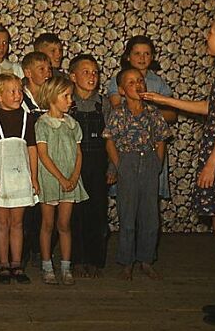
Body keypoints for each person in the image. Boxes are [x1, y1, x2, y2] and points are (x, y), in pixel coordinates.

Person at [141, 15, 215, 326]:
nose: (207, 36)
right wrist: (164, 99)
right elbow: (211, 109)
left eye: (212, 32)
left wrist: (212, 164)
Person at [103, 68, 171, 282]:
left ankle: (146, 260)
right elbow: (110, 141)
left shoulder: (153, 113)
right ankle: (126, 262)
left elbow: (161, 139)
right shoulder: (118, 113)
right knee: (128, 215)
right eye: (131, 82)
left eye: (140, 81)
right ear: (122, 90)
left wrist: (157, 163)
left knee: (150, 216)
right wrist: (119, 165)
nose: (138, 85)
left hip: (149, 161)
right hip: (128, 162)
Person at [106, 35, 176, 198]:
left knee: (148, 200)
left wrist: (150, 114)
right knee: (128, 198)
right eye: (137, 53)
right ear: (128, 56)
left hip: (151, 148)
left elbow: (172, 114)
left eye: (146, 53)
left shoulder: (158, 82)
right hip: (126, 148)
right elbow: (118, 107)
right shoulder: (119, 79)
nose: (142, 58)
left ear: (152, 57)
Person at [0, 73, 38, 285]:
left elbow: (32, 149)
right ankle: (3, 263)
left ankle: (17, 264)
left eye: (19, 91)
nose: (18, 96)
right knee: (2, 222)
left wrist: (34, 177)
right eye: (12, 92)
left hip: (20, 177)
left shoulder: (27, 118)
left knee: (17, 222)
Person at [35, 75, 89, 286]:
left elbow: (78, 153)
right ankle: (47, 265)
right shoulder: (42, 124)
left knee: (64, 224)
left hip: (70, 181)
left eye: (70, 96)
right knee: (47, 224)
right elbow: (43, 155)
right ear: (51, 96)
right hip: (51, 180)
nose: (70, 100)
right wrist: (60, 178)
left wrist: (74, 177)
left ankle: (66, 266)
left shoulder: (73, 124)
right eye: (65, 96)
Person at [68, 54, 111, 278]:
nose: (92, 77)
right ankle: (77, 259)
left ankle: (96, 259)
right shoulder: (66, 102)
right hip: (73, 167)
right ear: (73, 76)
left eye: (95, 72)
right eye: (86, 72)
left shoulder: (103, 104)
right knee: (75, 214)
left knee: (97, 213)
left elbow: (112, 140)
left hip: (97, 166)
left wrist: (112, 167)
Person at [20, 51, 51, 267]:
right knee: (26, 211)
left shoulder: (54, 97)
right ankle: (23, 252)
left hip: (49, 160)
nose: (48, 73)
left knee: (46, 210)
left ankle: (43, 251)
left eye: (49, 68)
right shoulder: (20, 98)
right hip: (26, 160)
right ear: (28, 73)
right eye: (42, 69)